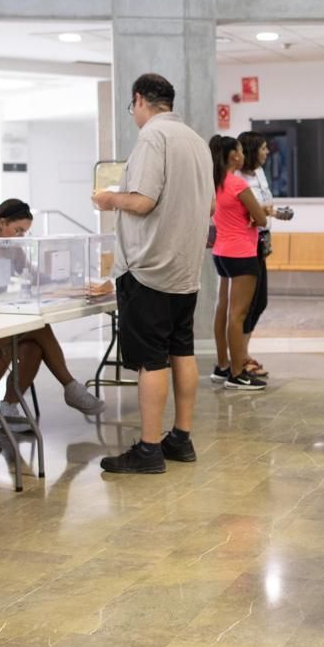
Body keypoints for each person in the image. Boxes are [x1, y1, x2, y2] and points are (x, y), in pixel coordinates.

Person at [90, 73, 214, 474]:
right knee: (182, 350)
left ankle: (148, 449)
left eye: (132, 107)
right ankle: (180, 437)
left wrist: (108, 199)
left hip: (149, 269)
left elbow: (142, 201)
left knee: (151, 360)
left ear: (139, 98)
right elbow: (206, 208)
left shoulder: (152, 138)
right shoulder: (196, 141)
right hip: (184, 268)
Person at [0, 197, 106, 425]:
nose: (20, 237)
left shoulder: (14, 249)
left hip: (3, 316)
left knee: (34, 346)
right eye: (18, 230)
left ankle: (6, 408)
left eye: (24, 233)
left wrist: (65, 278)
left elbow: (31, 277)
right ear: (2, 223)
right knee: (39, 329)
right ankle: (70, 386)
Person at [210, 135, 268, 391]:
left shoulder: (215, 183)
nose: (244, 155)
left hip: (221, 253)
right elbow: (261, 219)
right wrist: (256, 217)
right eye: (241, 151)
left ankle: (222, 366)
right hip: (242, 254)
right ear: (234, 156)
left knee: (223, 308)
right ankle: (237, 373)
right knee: (238, 315)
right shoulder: (238, 184)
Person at [236, 132, 292, 378]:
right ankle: (239, 357)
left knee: (259, 302)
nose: (267, 152)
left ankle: (242, 353)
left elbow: (263, 205)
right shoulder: (236, 178)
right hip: (246, 243)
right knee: (248, 305)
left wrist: (275, 212)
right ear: (250, 151)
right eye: (263, 148)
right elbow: (247, 211)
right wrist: (265, 211)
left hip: (261, 241)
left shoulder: (258, 172)